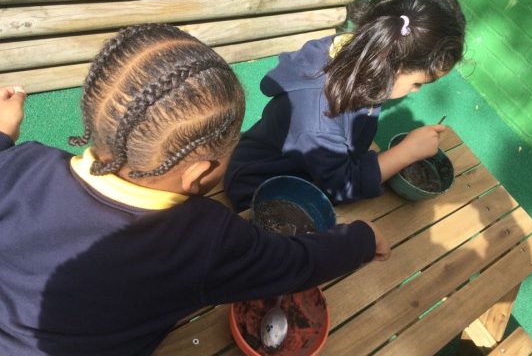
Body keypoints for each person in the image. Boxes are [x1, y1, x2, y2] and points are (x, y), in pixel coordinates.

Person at [0, 24, 390, 356]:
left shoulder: (23, 162)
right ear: (198, 174)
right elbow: (296, 264)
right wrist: (363, 238)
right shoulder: (205, 239)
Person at [224, 0, 467, 212]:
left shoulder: (363, 56)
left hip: (314, 167)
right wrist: (407, 153)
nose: (416, 91)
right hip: (261, 187)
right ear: (394, 68)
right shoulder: (318, 118)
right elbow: (342, 186)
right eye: (418, 83)